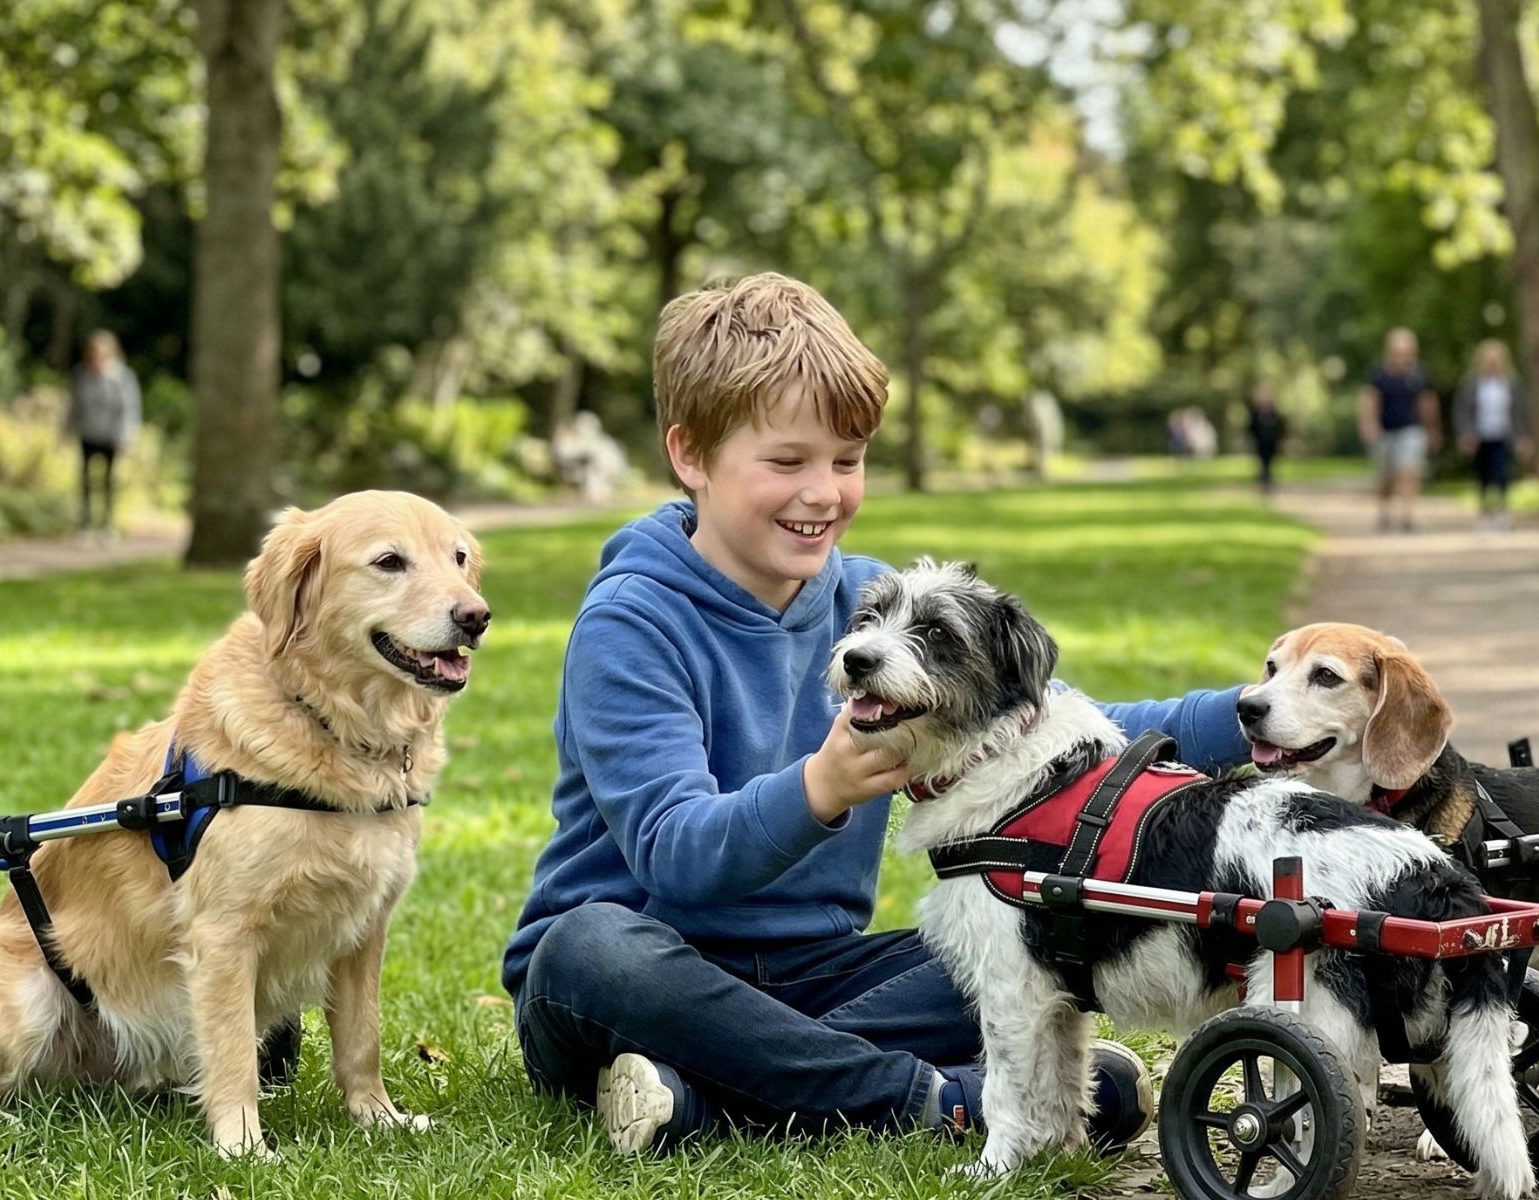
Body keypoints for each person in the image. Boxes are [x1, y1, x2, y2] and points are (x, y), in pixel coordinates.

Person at [504, 272, 1251, 1156]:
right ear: (691, 455)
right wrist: (819, 787)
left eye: (847, 461)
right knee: (589, 947)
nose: (823, 492)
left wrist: (1251, 716)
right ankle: (935, 1101)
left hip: (820, 974)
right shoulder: (631, 621)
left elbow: (1047, 717)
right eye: (788, 462)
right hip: (642, 977)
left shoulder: (871, 601)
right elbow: (675, 852)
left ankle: (711, 1097)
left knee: (1017, 940)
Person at [1357, 328, 1438, 533]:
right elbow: (1370, 399)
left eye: (1406, 351)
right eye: (1397, 351)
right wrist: (1368, 424)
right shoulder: (1379, 374)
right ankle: (1384, 510)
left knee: (1408, 471)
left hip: (1411, 430)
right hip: (1385, 431)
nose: (1402, 355)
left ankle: (1407, 515)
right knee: (1387, 476)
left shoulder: (1420, 374)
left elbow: (1427, 402)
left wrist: (1431, 429)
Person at [65, 330, 140, 537]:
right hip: (88, 433)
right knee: (86, 481)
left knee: (109, 482)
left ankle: (108, 524)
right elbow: (74, 407)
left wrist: (125, 436)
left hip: (111, 437)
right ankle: (85, 524)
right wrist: (66, 432)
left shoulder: (122, 376)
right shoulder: (82, 375)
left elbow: (128, 408)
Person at [1451, 339, 1532, 530]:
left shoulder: (1512, 384)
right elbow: (1462, 411)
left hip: (1504, 436)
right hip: (1480, 437)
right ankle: (1484, 512)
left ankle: (1503, 511)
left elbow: (1521, 412)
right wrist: (1465, 434)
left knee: (1502, 473)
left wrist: (1523, 437)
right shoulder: (1472, 384)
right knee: (1483, 476)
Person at [1247, 383, 1286, 495]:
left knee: (1269, 462)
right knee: (1262, 462)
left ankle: (1267, 481)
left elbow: (1280, 426)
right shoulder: (1256, 412)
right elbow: (1251, 427)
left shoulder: (1274, 412)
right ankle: (1263, 481)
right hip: (1261, 442)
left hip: (1271, 442)